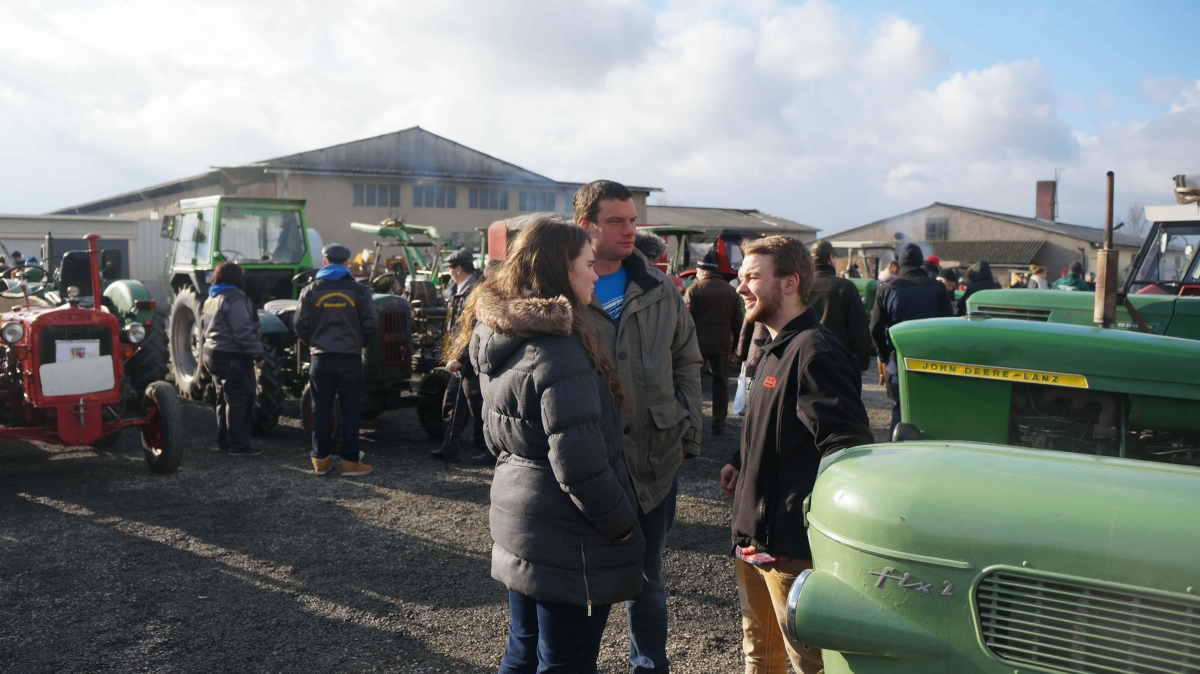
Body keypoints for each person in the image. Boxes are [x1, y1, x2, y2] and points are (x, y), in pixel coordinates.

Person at [453, 217, 645, 673]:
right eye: (587, 265)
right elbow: (579, 463)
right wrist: (622, 527)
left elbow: (497, 436)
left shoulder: (502, 333)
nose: (595, 275)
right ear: (560, 270)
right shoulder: (559, 350)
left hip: (521, 517)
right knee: (565, 663)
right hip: (568, 535)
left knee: (523, 649)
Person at [720, 236, 874, 674]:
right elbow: (778, 423)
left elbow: (846, 451)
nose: (740, 287)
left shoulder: (815, 352)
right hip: (754, 539)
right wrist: (739, 459)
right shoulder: (775, 347)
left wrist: (799, 520)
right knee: (759, 655)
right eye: (741, 277)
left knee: (813, 665)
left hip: (790, 550)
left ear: (790, 283)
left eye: (752, 277)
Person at [575, 179, 703, 674]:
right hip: (594, 463)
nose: (630, 230)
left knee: (649, 582)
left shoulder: (658, 288)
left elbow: (686, 360)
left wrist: (688, 431)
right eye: (616, 221)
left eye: (632, 220)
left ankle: (650, 666)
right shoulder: (565, 291)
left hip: (656, 459)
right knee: (586, 584)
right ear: (586, 226)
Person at [295, 243, 377, 476]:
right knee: (351, 410)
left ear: (324, 262)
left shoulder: (310, 290)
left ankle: (321, 461)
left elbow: (300, 324)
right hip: (350, 359)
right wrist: (356, 343)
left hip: (320, 359)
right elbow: (371, 324)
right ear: (347, 263)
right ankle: (350, 462)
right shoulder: (359, 291)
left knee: (320, 409)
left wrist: (315, 344)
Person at [870, 243, 954, 437]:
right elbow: (949, 325)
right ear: (920, 262)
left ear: (899, 264)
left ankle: (896, 449)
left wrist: (885, 356)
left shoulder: (886, 290)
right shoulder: (938, 288)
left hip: (899, 359)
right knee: (932, 411)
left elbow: (875, 329)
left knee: (900, 410)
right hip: (932, 361)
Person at [200, 261, 264, 456]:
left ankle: (225, 442)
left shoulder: (211, 298)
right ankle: (239, 445)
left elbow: (204, 328)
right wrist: (258, 354)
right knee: (239, 400)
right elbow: (243, 331)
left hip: (212, 354)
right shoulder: (235, 299)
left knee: (222, 398)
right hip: (232, 356)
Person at [431, 249, 487, 464]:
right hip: (461, 359)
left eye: (450, 269)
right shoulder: (459, 290)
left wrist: (461, 358)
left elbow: (472, 329)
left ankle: (490, 451)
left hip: (470, 361)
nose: (449, 274)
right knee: (453, 404)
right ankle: (449, 448)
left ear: (458, 269)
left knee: (477, 407)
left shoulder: (475, 292)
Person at [684, 253, 743, 435]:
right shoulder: (730, 291)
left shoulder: (694, 289)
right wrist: (736, 349)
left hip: (696, 346)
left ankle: (693, 425)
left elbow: (685, 321)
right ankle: (719, 424)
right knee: (721, 385)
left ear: (703, 271)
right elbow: (738, 323)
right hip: (722, 345)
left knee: (693, 385)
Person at [807, 240, 872, 372]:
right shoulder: (845, 287)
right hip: (839, 360)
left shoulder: (800, 287)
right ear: (831, 258)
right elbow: (860, 328)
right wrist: (863, 362)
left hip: (806, 357)